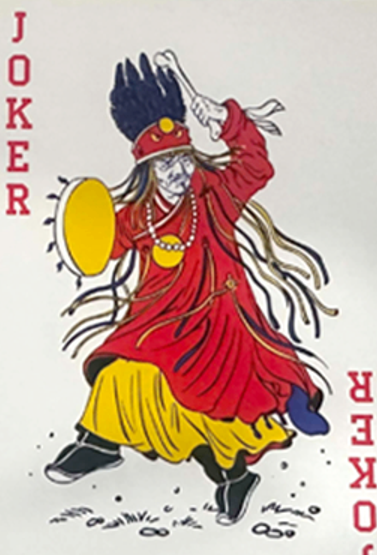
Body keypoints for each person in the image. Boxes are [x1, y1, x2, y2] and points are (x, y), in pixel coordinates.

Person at [46, 51, 333, 526]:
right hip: (156, 327)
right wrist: (76, 222)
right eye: (165, 164)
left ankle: (235, 477)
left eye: (182, 159)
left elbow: (255, 167)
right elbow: (101, 246)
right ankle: (98, 444)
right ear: (147, 169)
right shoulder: (138, 214)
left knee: (216, 406)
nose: (177, 172)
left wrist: (224, 120)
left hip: (219, 325)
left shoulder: (215, 195)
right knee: (120, 374)